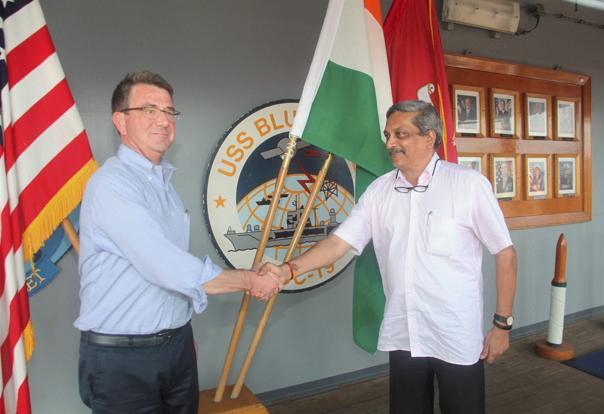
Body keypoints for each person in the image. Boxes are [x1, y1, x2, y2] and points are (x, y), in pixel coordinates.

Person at [261, 100, 517, 413]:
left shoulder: (467, 185)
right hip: (404, 334)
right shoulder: (379, 192)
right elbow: (340, 243)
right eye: (388, 135)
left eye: (400, 134)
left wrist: (502, 325)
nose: (390, 142)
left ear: (429, 138)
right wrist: (289, 269)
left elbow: (504, 252)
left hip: (455, 335)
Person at [74, 70, 282, 413]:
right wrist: (250, 280)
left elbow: (169, 273)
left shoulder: (162, 184)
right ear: (120, 121)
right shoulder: (111, 185)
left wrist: (177, 332)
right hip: (123, 362)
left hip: (174, 348)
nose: (163, 121)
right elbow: (168, 268)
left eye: (169, 111)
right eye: (149, 110)